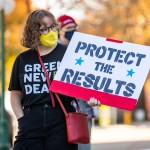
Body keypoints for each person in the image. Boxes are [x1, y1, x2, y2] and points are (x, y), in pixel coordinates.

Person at [8, 10, 100, 150]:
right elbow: (15, 93)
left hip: (61, 120)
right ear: (33, 32)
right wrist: (22, 119)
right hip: (30, 120)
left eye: (52, 27)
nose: (50, 31)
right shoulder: (23, 59)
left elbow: (82, 86)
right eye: (44, 29)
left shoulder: (68, 54)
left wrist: (91, 99)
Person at [57, 14, 98, 150]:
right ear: (59, 30)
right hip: (61, 110)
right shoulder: (53, 51)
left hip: (83, 108)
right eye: (69, 28)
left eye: (75, 27)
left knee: (83, 145)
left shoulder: (84, 49)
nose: (73, 31)